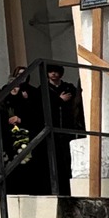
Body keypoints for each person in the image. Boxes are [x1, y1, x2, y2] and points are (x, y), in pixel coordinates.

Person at [44, 63, 82, 193]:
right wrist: (59, 100)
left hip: (68, 127)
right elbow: (43, 106)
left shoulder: (68, 87)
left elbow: (75, 103)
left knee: (69, 157)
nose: (53, 74)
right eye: (51, 72)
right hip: (52, 128)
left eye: (56, 71)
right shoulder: (44, 89)